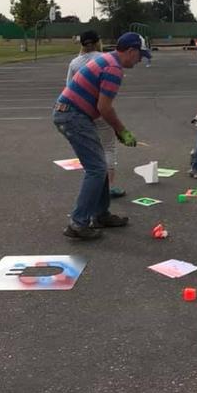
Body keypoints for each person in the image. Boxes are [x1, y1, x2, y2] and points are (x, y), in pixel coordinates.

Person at [52, 32, 151, 240]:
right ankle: (78, 223)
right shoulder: (113, 68)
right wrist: (122, 131)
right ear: (131, 51)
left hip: (72, 113)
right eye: (140, 55)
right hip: (72, 115)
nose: (140, 59)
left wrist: (118, 130)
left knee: (100, 167)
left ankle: (100, 214)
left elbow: (101, 107)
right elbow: (104, 107)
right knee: (96, 169)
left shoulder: (107, 60)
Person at [66, 30, 126, 199]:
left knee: (92, 150)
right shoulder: (104, 59)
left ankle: (94, 185)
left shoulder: (75, 63)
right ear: (98, 42)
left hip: (83, 111)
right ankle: (108, 186)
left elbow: (69, 86)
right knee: (108, 147)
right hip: (101, 109)